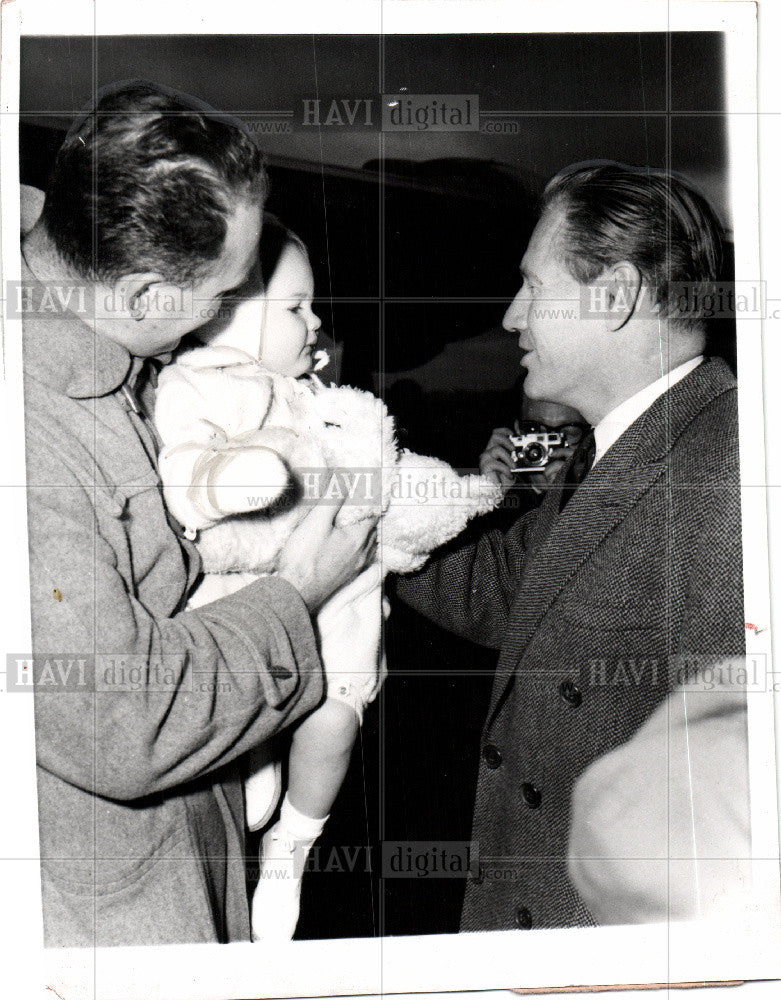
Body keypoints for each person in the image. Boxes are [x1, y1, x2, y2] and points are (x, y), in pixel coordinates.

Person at [21, 81, 377, 947]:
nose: (227, 316)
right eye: (220, 295)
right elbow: (120, 719)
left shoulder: (111, 339)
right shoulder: (30, 431)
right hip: (110, 917)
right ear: (144, 296)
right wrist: (297, 594)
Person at [396, 161, 745, 931]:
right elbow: (502, 592)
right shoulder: (615, 447)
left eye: (533, 287)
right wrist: (356, 488)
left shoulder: (724, 470)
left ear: (615, 295)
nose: (513, 317)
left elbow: (729, 802)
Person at [153, 214, 499, 940]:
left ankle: (292, 850)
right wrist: (222, 481)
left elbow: (386, 475)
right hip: (248, 604)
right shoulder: (192, 383)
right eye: (293, 308)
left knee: (336, 720)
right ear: (220, 308)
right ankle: (255, 770)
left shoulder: (323, 398)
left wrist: (468, 489)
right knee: (245, 722)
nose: (314, 322)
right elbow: (181, 464)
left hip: (339, 605)